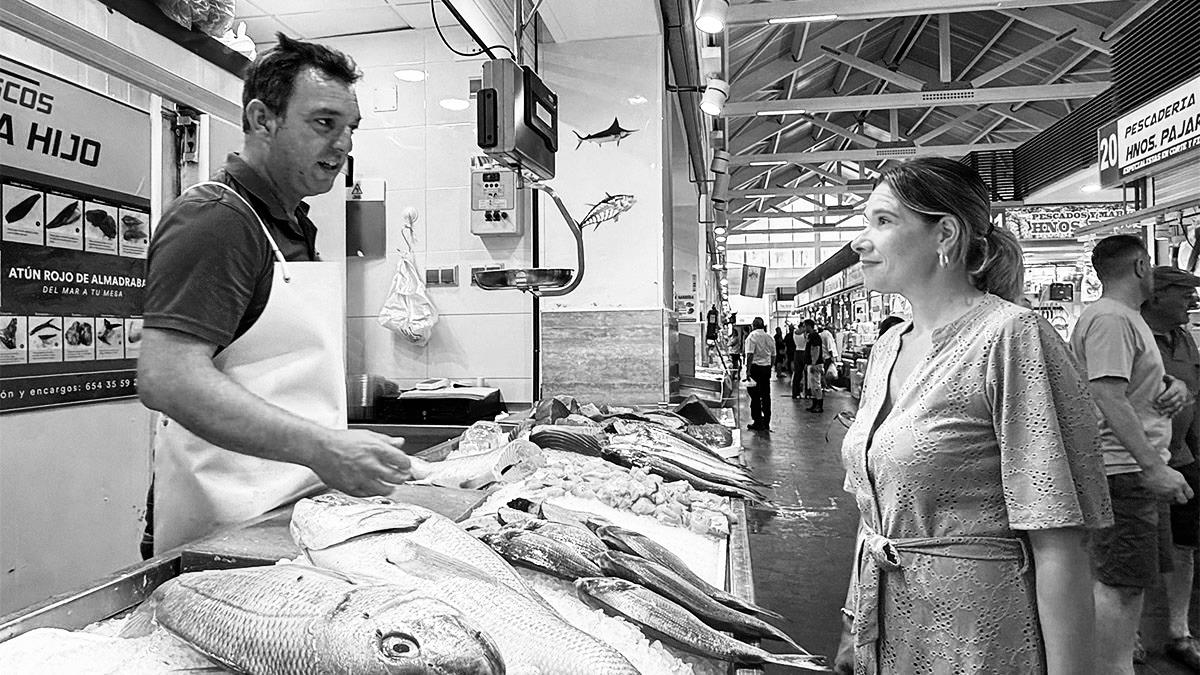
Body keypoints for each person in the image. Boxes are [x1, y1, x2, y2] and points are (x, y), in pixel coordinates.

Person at [138, 34, 422, 554]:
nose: (343, 145)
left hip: (287, 514)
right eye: (324, 123)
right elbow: (167, 378)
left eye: (349, 128)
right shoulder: (217, 218)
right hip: (223, 527)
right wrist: (323, 447)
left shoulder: (291, 223)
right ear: (262, 119)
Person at [835, 157, 1111, 675]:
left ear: (945, 234)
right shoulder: (889, 346)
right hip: (889, 625)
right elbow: (874, 513)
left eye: (883, 221)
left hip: (977, 632)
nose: (860, 240)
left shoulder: (1012, 338)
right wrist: (854, 623)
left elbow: (1058, 537)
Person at [1070, 237, 1196, 675]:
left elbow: (1123, 387)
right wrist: (1152, 465)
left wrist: (1170, 386)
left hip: (1128, 471)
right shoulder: (1110, 318)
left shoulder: (1125, 320)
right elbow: (1104, 392)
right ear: (1141, 266)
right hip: (1121, 472)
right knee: (1119, 586)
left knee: (1127, 583)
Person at [1141, 266, 1200, 670]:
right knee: (1138, 549)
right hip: (1140, 462)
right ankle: (1131, 638)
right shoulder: (1132, 334)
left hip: (1182, 458)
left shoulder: (1184, 338)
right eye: (1184, 293)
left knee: (1184, 545)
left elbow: (1193, 393)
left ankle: (1179, 632)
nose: (1192, 300)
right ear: (1158, 295)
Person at [744, 317, 774, 432]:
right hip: (766, 368)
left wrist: (748, 370)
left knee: (755, 396)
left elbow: (750, 355)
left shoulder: (752, 337)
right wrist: (770, 367)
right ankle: (766, 422)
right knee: (766, 395)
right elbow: (773, 355)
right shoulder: (769, 337)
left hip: (755, 369)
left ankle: (757, 422)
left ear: (753, 325)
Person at [803, 319, 826, 413]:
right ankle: (814, 404)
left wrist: (813, 363)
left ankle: (819, 405)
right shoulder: (810, 336)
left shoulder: (815, 336)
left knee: (816, 385)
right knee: (812, 385)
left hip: (815, 364)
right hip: (811, 363)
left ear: (809, 326)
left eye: (805, 326)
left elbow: (816, 350)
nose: (804, 328)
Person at [791, 322, 810, 399]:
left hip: (797, 353)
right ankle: (806, 393)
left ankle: (795, 393)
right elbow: (807, 342)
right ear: (802, 327)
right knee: (806, 374)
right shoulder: (805, 334)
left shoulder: (794, 333)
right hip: (804, 353)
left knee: (797, 374)